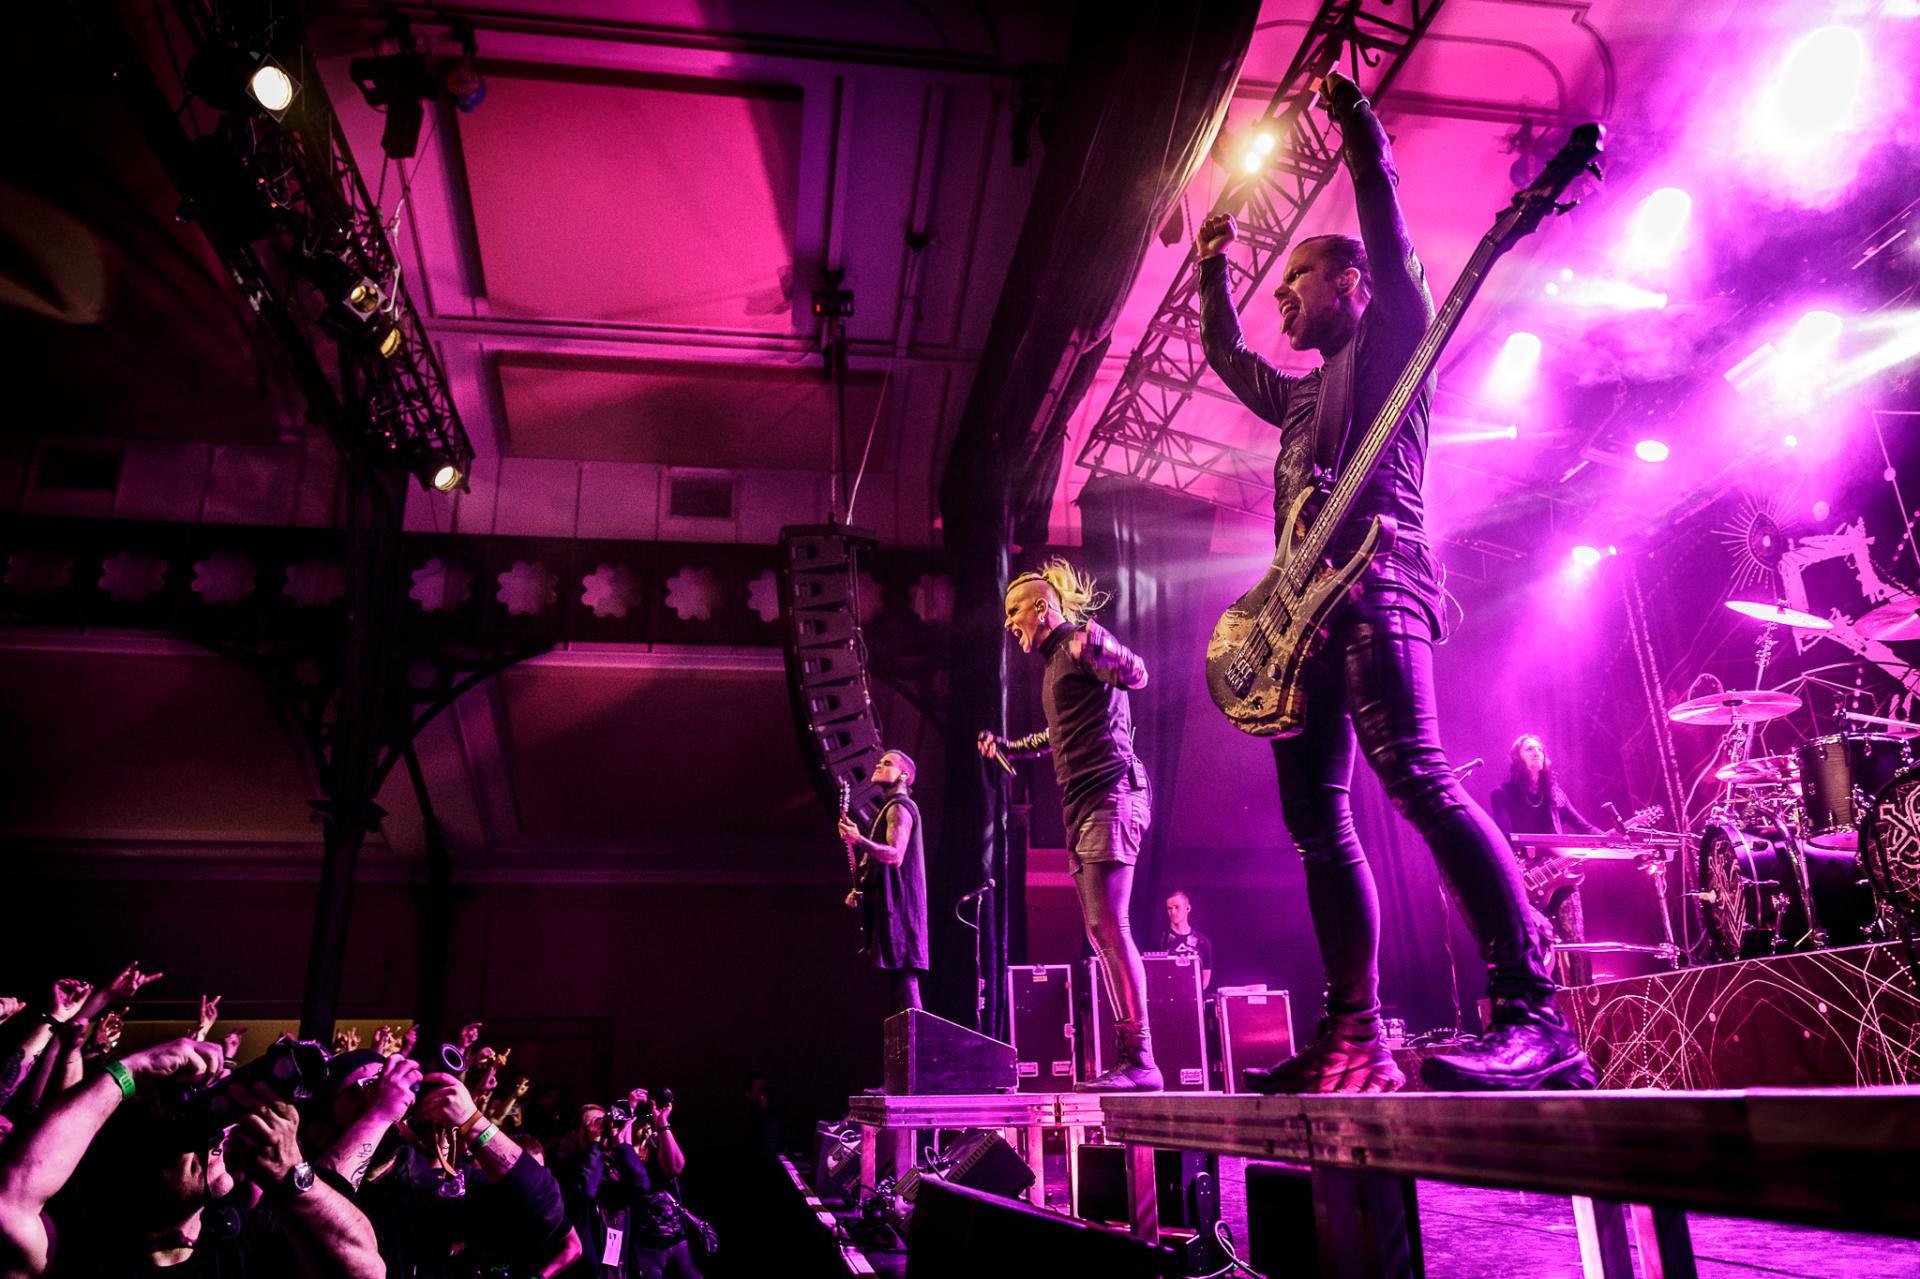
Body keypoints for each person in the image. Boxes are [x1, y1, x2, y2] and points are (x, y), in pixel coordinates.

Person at [1197, 67, 1589, 1092]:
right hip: (1302, 620)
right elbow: (1224, 352)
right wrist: (1212, 267)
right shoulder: (1297, 398)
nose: (1282, 297)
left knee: (1415, 773)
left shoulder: (1394, 339)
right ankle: (1354, 1037)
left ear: (1349, 284)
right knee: (1316, 823)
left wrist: (1360, 132)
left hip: (1383, 577)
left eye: (1297, 279)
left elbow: (1388, 224)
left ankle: (1533, 1009)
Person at [979, 559, 1162, 1091]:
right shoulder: (1057, 665)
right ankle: (1136, 1059)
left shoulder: (1080, 643)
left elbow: (1137, 673)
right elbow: (1058, 733)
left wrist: (1111, 653)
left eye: (1014, 611)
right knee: (1101, 931)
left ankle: (1141, 1061)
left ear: (1042, 607)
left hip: (1112, 793)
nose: (1008, 623)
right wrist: (1012, 747)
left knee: (1110, 927)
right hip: (1087, 806)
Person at [0, 1036, 385, 1278]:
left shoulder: (244, 1235)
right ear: (125, 1160)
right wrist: (128, 1071)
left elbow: (365, 1271)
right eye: (174, 1131)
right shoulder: (75, 1247)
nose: (212, 1136)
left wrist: (291, 1177)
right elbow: (7, 1203)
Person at [1490, 733, 1601, 986]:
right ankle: (1543, 1000)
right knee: (1536, 946)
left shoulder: (1554, 793)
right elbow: (1506, 838)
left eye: (1540, 749)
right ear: (1517, 758)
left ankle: (1584, 995)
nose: (1537, 752)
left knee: (1576, 940)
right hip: (1527, 881)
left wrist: (1610, 838)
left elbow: (1584, 827)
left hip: (1561, 877)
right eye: (1530, 749)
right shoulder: (1503, 794)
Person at [838, 750, 930, 1014]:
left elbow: (895, 855)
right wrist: (861, 889)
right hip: (895, 910)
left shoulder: (900, 807)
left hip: (901, 911)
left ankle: (918, 1038)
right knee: (899, 987)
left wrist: (859, 840)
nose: (878, 766)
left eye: (886, 763)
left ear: (903, 775)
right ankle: (912, 1036)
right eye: (879, 762)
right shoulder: (889, 809)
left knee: (905, 985)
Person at [1156, 890, 1214, 992]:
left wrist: (1194, 994)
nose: (1173, 912)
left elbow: (1206, 975)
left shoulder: (1202, 941)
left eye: (1177, 907)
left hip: (1193, 997)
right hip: (1168, 995)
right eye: (1170, 908)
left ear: (1188, 908)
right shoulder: (1160, 939)